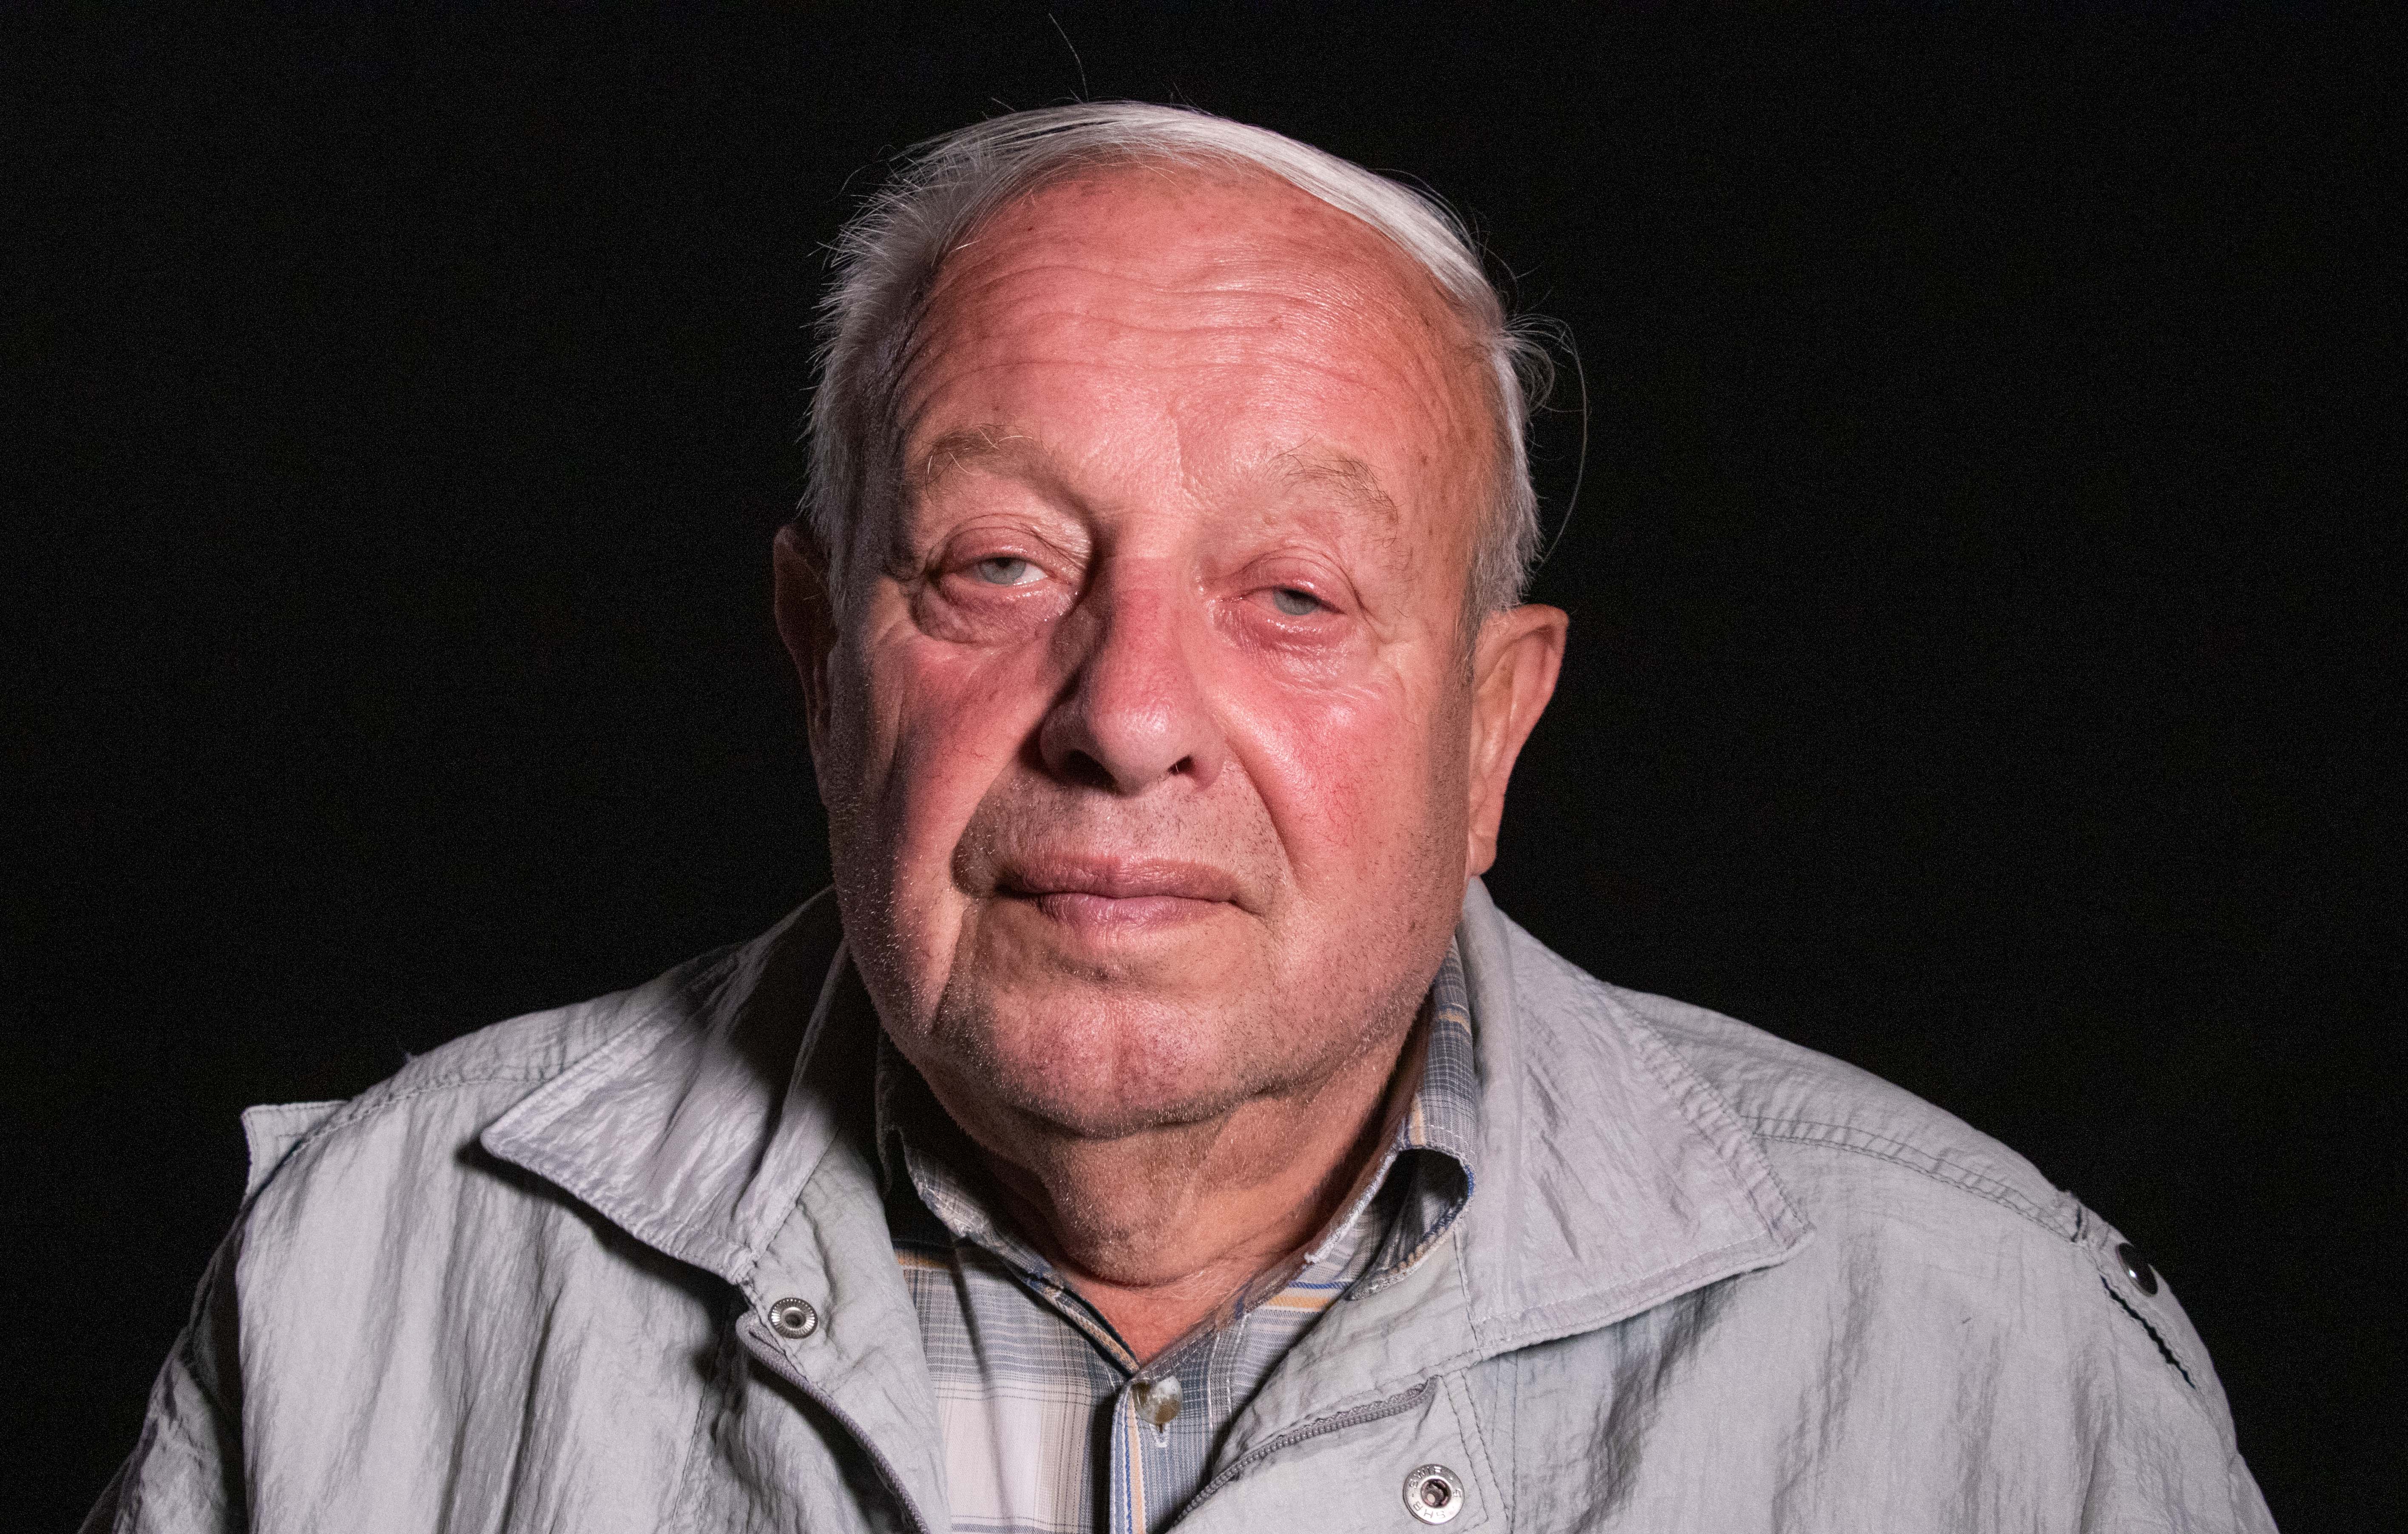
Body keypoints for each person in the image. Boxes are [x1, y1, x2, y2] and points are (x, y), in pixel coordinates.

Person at [88, 103, 2273, 1533]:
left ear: (1492, 732)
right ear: (819, 658)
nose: (1127, 716)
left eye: (1296, 596)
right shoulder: (373, 1274)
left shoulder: (1992, 1365)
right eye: (999, 564)